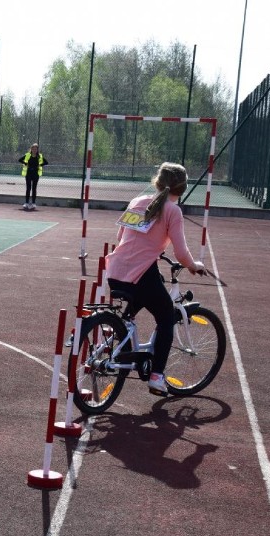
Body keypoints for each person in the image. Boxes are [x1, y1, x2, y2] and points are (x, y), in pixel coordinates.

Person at [105, 162, 206, 396]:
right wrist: (194, 266)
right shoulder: (173, 211)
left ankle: (120, 336)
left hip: (116, 271)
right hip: (139, 275)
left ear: (157, 181)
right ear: (181, 189)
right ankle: (157, 376)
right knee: (166, 317)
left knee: (143, 294)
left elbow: (122, 237)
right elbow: (181, 253)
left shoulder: (137, 202)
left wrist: (150, 249)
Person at [18, 143, 48, 210]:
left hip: (35, 173)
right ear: (31, 149)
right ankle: (26, 203)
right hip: (28, 173)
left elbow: (46, 162)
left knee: (34, 188)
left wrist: (40, 165)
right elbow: (20, 160)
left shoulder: (39, 156)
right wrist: (26, 163)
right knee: (28, 188)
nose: (34, 150)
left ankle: (33, 203)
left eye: (36, 149)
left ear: (37, 150)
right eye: (33, 149)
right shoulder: (28, 155)